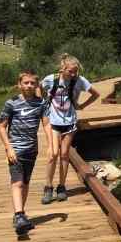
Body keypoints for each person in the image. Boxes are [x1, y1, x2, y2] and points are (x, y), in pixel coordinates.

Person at [0, 69, 53, 235]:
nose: (29, 86)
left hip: (31, 149)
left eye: (32, 83)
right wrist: (8, 148)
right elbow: (1, 127)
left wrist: (51, 145)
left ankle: (20, 214)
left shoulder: (41, 103)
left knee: (26, 182)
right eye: (26, 83)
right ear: (19, 85)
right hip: (15, 149)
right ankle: (19, 214)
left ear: (37, 85)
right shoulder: (11, 103)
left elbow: (46, 124)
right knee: (17, 182)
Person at [40, 53, 100, 204]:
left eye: (76, 71)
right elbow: (39, 87)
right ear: (63, 68)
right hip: (53, 121)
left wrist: (83, 106)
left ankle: (61, 187)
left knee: (65, 154)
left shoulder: (79, 81)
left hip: (70, 122)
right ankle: (48, 187)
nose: (73, 74)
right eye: (70, 71)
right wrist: (42, 104)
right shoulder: (51, 79)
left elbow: (96, 94)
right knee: (53, 154)